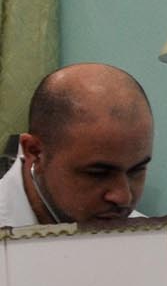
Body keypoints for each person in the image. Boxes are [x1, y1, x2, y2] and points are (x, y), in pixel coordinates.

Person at [0, 63, 153, 228]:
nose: (124, 197)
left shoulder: (154, 241)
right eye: (98, 174)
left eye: (136, 171)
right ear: (34, 152)